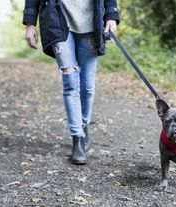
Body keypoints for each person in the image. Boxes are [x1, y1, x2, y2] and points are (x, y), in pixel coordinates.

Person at [22, 0, 119, 165]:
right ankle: (78, 139)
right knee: (70, 82)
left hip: (90, 25)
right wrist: (30, 23)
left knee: (87, 87)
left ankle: (83, 125)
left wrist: (111, 15)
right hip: (58, 22)